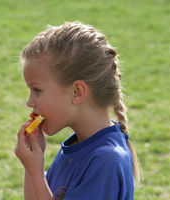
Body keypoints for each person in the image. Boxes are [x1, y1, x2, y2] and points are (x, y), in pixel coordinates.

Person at [15, 21, 141, 200]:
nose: (29, 102)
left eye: (37, 90)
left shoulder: (106, 160)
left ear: (77, 92)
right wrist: (32, 168)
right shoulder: (76, 147)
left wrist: (36, 173)